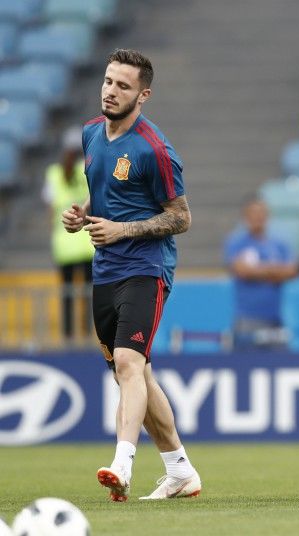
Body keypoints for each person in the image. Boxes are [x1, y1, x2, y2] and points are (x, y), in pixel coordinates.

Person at [62, 48, 202, 502]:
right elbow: (105, 192)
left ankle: (122, 464)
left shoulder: (154, 149)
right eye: (108, 81)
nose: (110, 91)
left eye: (123, 86)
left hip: (146, 268)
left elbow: (181, 217)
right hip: (105, 270)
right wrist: (82, 214)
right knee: (136, 374)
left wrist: (122, 230)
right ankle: (180, 470)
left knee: (127, 362)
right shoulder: (90, 134)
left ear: (143, 95)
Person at [223, 198, 299, 347]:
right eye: (253, 213)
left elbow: (292, 271)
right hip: (248, 319)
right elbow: (242, 271)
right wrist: (275, 271)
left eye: (261, 213)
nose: (258, 217)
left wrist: (257, 270)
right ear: (245, 216)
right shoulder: (236, 242)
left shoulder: (279, 244)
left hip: (275, 319)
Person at [43, 126, 96, 341]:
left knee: (67, 295)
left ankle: (68, 337)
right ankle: (87, 335)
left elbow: (50, 210)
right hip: (87, 243)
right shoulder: (88, 170)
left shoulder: (54, 173)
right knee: (88, 294)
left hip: (64, 245)